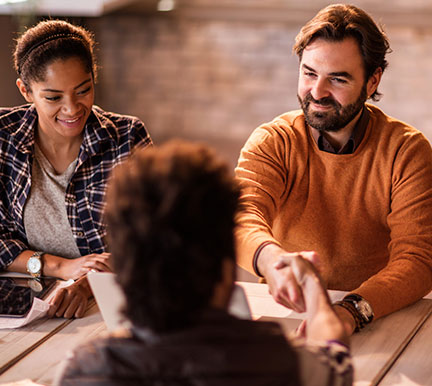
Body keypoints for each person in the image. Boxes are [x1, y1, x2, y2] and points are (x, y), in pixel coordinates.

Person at [55, 141, 352, 385]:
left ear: (126, 272)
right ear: (225, 269)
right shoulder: (284, 365)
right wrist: (312, 284)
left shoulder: (84, 370)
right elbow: (335, 355)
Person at [235, 3, 432, 335]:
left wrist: (350, 311)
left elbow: (419, 260)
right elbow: (239, 216)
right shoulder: (273, 140)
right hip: (288, 311)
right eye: (309, 73)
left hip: (377, 313)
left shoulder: (407, 151)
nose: (317, 92)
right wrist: (273, 261)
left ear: (372, 81)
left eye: (337, 79)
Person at [0, 19, 152, 319]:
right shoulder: (3, 137)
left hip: (114, 299)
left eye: (83, 90)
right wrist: (59, 266)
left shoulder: (127, 137)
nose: (72, 109)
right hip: (28, 306)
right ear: (26, 91)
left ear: (94, 77)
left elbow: (152, 239)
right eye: (53, 97)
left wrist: (86, 285)